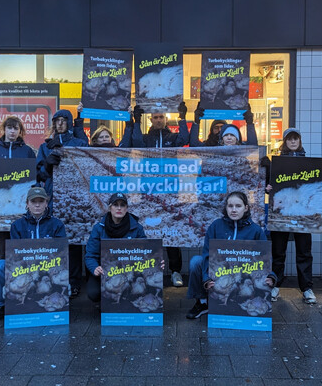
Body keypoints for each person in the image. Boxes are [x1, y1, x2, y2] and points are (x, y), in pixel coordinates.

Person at [120, 103, 189, 287]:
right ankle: (149, 269)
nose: (158, 120)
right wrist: (136, 120)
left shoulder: (173, 137)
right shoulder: (144, 138)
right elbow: (133, 144)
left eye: (161, 117)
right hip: (148, 192)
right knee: (149, 230)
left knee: (171, 231)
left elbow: (184, 139)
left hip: (170, 191)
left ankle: (175, 271)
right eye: (155, 117)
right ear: (151, 119)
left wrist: (183, 118)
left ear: (166, 119)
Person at [186, 191, 276, 319]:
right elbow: (207, 254)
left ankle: (240, 303)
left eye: (238, 206)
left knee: (253, 285)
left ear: (246, 208)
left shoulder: (255, 230)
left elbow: (266, 257)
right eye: (230, 206)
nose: (234, 210)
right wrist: (206, 278)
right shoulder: (216, 226)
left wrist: (271, 276)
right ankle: (202, 303)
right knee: (196, 261)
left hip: (244, 273)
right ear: (226, 208)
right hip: (219, 271)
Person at [0, 186, 66, 323]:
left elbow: (61, 251)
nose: (37, 204)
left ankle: (56, 302)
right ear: (27, 204)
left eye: (41, 201)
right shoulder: (17, 225)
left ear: (46, 203)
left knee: (61, 275)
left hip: (49, 267)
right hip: (26, 267)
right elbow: (16, 252)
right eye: (34, 202)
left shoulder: (57, 225)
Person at [37, 108, 88, 299]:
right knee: (55, 240)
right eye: (56, 121)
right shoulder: (46, 146)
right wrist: (48, 165)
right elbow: (40, 173)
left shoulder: (78, 143)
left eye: (63, 120)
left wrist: (80, 121)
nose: (59, 124)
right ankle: (55, 279)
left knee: (73, 241)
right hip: (53, 196)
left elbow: (85, 164)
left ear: (69, 122)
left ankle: (74, 282)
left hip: (74, 197)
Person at [264, 128, 316, 304]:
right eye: (289, 139)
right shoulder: (276, 163)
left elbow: (315, 185)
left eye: (296, 139)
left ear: (300, 141)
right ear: (284, 142)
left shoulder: (309, 163)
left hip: (302, 215)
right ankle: (276, 284)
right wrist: (267, 187)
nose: (293, 142)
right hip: (281, 215)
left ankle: (307, 288)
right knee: (278, 251)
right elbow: (268, 184)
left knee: (304, 252)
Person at [0, 116, 37, 285]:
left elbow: (33, 175)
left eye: (16, 128)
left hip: (20, 206)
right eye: (9, 128)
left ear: (20, 131)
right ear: (4, 130)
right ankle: (0, 285)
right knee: (1, 247)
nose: (12, 131)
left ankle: (21, 281)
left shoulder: (27, 151)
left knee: (21, 244)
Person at [84, 193, 147, 303]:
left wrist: (156, 263)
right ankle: (105, 304)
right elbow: (90, 255)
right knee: (94, 293)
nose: (119, 208)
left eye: (122, 205)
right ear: (109, 208)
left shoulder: (137, 229)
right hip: (105, 271)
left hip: (130, 271)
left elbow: (146, 253)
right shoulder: (98, 229)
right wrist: (95, 267)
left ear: (126, 208)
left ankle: (126, 302)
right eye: (115, 205)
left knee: (141, 288)